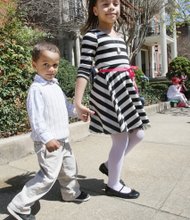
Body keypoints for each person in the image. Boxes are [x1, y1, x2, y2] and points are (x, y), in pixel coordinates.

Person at [74, 0, 150, 199]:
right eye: (105, 4)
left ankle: (109, 166)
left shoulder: (121, 36)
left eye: (115, 3)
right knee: (121, 138)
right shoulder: (92, 36)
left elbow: (123, 67)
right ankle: (113, 185)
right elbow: (83, 69)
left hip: (124, 90)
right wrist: (78, 102)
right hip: (107, 92)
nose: (111, 7)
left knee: (138, 134)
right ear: (95, 10)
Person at [7, 42, 90, 220]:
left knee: (69, 169)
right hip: (48, 143)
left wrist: (78, 113)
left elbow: (65, 107)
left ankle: (71, 193)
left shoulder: (55, 86)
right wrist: (47, 138)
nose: (51, 69)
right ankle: (20, 205)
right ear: (34, 65)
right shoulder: (36, 90)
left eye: (55, 65)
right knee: (47, 176)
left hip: (63, 140)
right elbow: (36, 120)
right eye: (46, 64)